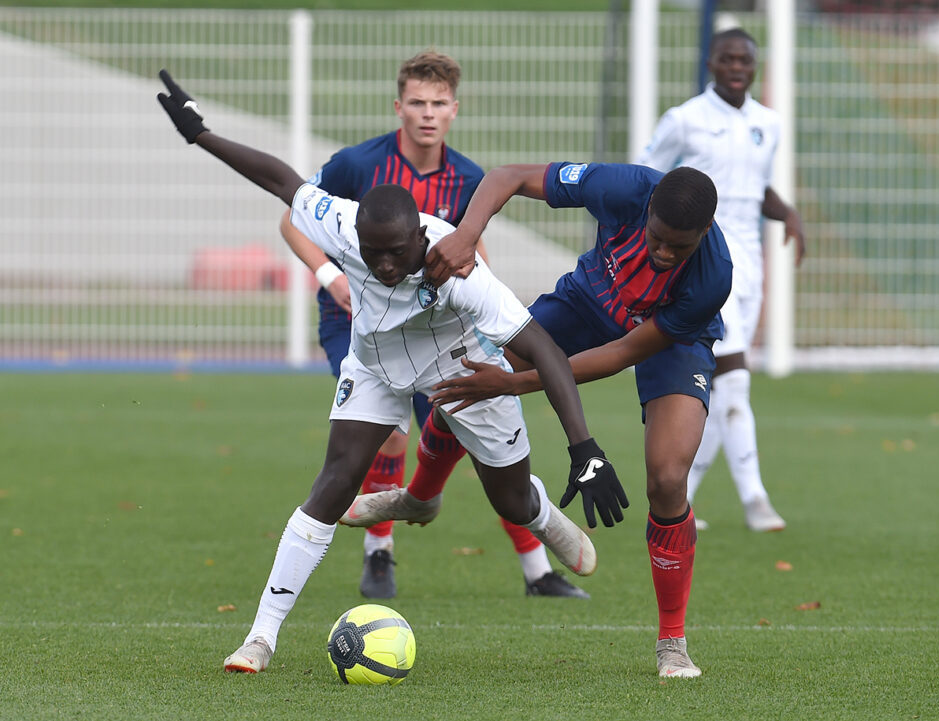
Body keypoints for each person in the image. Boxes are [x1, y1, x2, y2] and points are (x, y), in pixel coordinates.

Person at [155, 70, 628, 674]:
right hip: (376, 366)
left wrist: (584, 446)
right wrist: (202, 135)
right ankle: (260, 638)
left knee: (508, 498)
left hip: (459, 367)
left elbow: (544, 350)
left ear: (418, 239)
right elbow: (279, 179)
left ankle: (535, 511)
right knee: (334, 481)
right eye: (371, 251)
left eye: (395, 253)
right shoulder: (342, 222)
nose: (382, 264)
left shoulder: (457, 266)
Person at [343, 159, 732, 678]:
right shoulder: (623, 188)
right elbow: (507, 177)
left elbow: (623, 353)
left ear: (704, 232)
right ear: (647, 210)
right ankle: (421, 497)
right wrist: (466, 234)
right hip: (587, 300)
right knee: (465, 374)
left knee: (666, 480)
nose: (663, 253)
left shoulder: (712, 277)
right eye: (656, 238)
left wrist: (513, 383)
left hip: (668, 343)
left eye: (678, 247)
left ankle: (672, 643)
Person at [282, 50, 589, 600]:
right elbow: (294, 218)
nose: (427, 113)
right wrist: (331, 277)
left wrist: (486, 316)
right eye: (417, 103)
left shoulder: (468, 176)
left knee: (473, 422)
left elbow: (472, 251)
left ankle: (536, 569)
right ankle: (380, 556)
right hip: (358, 323)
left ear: (455, 110)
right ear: (398, 106)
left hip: (435, 325)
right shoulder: (358, 164)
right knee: (391, 434)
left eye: (439, 104)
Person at [636, 27, 805, 532]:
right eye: (727, 58)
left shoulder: (767, 125)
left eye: (745, 60)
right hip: (703, 261)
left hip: (750, 264)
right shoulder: (684, 120)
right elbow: (648, 180)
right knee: (734, 377)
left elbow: (753, 189)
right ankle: (755, 498)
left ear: (755, 67)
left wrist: (788, 214)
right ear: (710, 62)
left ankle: (682, 493)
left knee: (721, 381)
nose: (736, 67)